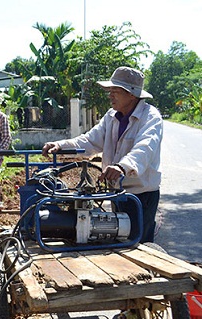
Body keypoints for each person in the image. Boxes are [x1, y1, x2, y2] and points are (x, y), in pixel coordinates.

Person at [43, 66, 163, 246]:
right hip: (117, 192)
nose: (110, 95)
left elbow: (145, 148)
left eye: (115, 91)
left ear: (132, 94)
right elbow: (90, 141)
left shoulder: (150, 117)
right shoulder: (111, 116)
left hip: (141, 195)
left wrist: (122, 167)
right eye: (110, 90)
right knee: (117, 238)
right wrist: (60, 145)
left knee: (139, 246)